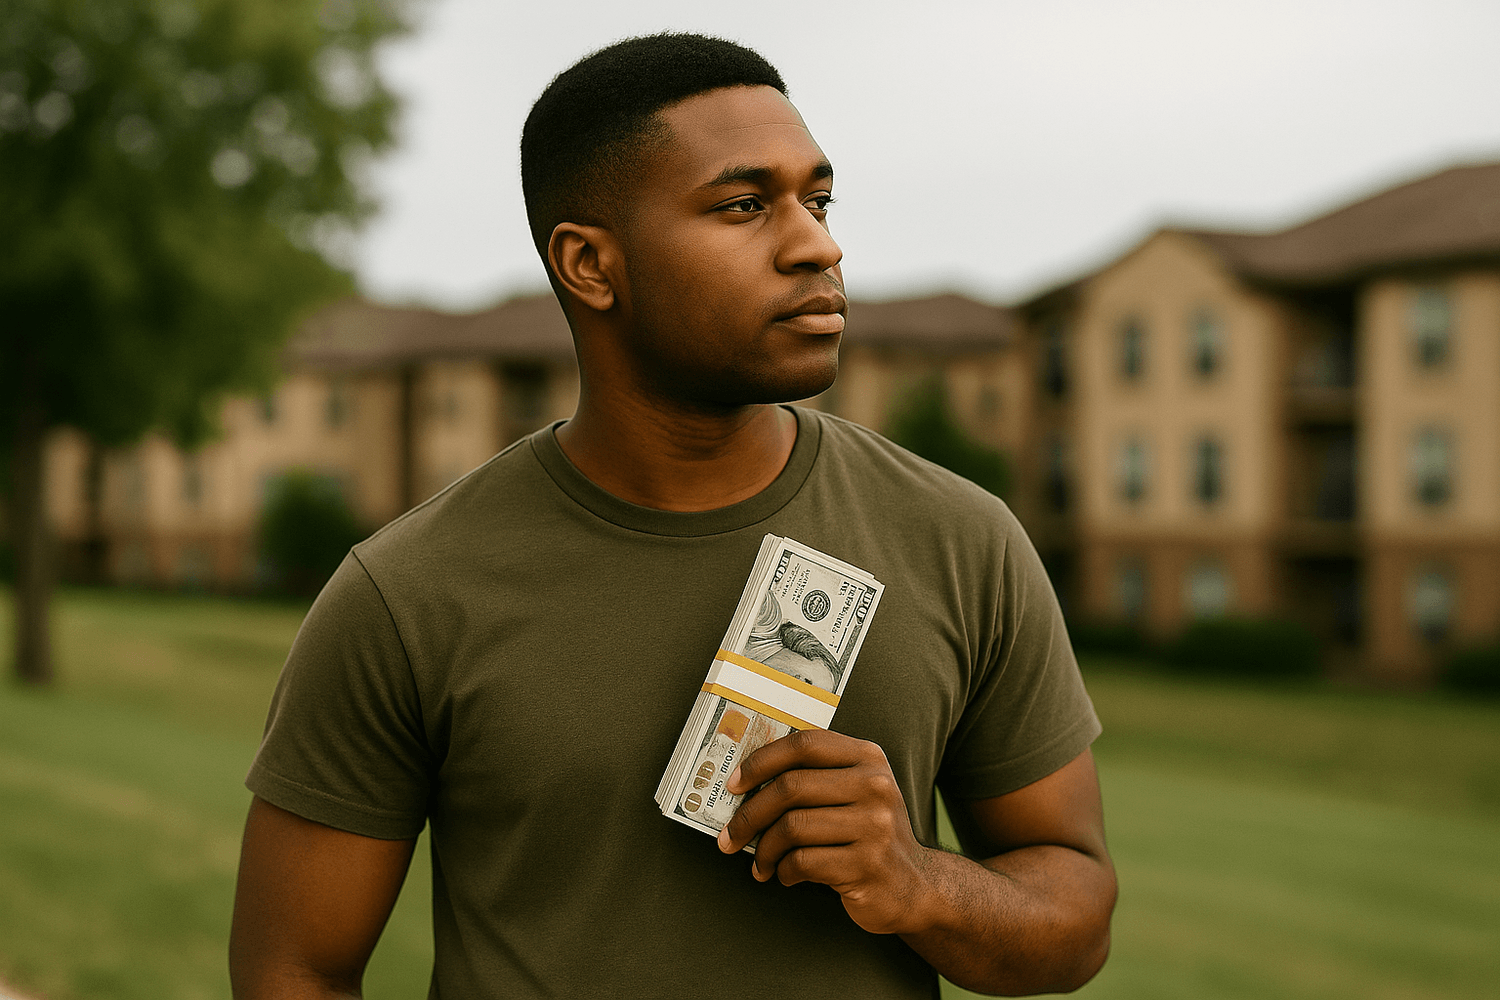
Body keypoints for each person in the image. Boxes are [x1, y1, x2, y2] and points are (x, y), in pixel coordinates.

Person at [229, 32, 1116, 999]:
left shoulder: (960, 539)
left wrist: (915, 882)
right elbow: (294, 971)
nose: (819, 244)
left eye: (816, 200)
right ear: (591, 265)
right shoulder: (407, 595)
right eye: (744, 206)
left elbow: (1074, 920)